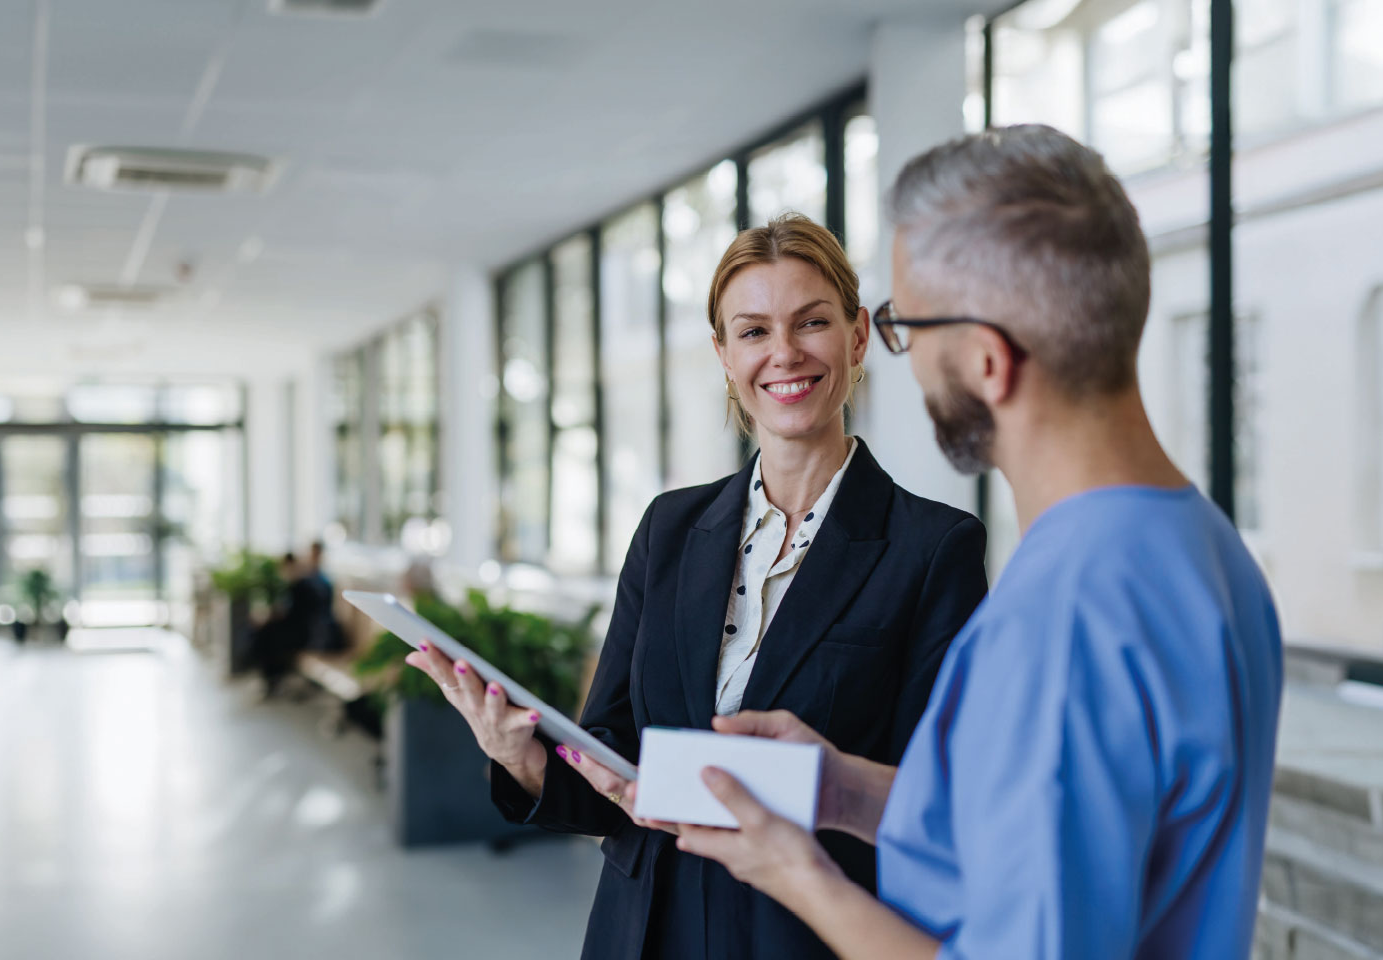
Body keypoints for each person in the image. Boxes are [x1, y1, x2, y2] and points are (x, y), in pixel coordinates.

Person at [647, 125, 1287, 960]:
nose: (905, 361)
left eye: (906, 326)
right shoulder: (1200, 547)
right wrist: (843, 791)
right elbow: (1043, 835)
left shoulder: (1063, 618)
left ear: (988, 362)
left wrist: (798, 874)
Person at [404, 213, 990, 960]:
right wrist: (521, 756)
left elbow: (929, 802)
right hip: (643, 926)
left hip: (806, 936)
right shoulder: (670, 528)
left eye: (811, 322)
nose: (783, 353)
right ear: (722, 353)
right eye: (752, 332)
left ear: (855, 337)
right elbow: (613, 753)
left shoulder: (933, 548)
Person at [248, 541, 335, 698]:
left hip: (313, 632)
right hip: (305, 628)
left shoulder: (317, 581)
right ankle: (271, 679)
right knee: (265, 633)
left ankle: (272, 679)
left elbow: (301, 612)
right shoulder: (307, 579)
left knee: (268, 636)